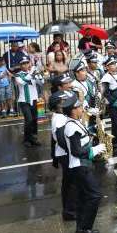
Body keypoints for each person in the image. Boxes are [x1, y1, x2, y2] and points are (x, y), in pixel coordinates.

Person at [61, 91, 105, 233]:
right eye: (79, 107)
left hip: (83, 165)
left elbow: (82, 140)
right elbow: (76, 151)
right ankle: (85, 228)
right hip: (80, 166)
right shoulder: (71, 127)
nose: (82, 108)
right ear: (73, 110)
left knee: (83, 197)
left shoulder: (75, 122)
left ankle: (81, 228)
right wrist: (95, 149)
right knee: (94, 196)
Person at [49, 90, 77, 221]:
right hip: (66, 154)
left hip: (65, 154)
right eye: (64, 101)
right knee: (71, 183)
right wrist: (75, 151)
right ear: (58, 105)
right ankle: (70, 211)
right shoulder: (59, 119)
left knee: (68, 183)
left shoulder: (61, 116)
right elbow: (61, 140)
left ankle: (68, 209)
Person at [14, 57, 43, 147]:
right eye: (23, 63)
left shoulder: (33, 73)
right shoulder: (18, 75)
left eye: (27, 63)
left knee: (34, 120)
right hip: (24, 100)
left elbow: (42, 82)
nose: (26, 65)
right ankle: (26, 139)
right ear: (20, 65)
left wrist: (38, 75)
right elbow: (22, 82)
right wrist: (31, 73)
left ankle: (33, 138)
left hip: (34, 99)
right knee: (29, 120)